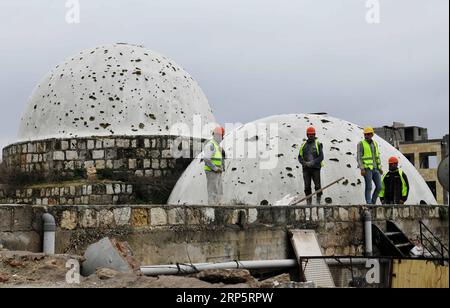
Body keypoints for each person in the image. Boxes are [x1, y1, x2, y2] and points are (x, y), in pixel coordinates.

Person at [298, 126, 324, 205]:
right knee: (307, 187)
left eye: (312, 134)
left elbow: (321, 157)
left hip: (315, 169)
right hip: (306, 169)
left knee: (317, 186)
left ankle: (318, 202)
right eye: (309, 134)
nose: (311, 136)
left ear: (314, 135)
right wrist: (304, 163)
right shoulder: (303, 145)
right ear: (307, 135)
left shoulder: (317, 144)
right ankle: (309, 203)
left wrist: (313, 162)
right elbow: (299, 157)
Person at [357, 127, 383, 204]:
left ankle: (373, 202)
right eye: (365, 134)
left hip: (375, 168)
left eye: (368, 134)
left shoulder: (375, 144)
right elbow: (359, 157)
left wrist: (380, 168)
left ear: (372, 134)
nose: (366, 135)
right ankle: (369, 203)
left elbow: (377, 156)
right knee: (369, 187)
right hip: (367, 168)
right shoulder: (361, 144)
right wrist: (362, 168)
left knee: (379, 187)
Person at [203, 126, 225, 205]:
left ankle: (218, 205)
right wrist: (215, 168)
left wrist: (221, 168)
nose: (222, 138)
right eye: (220, 136)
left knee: (219, 190)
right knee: (213, 190)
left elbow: (219, 159)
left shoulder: (217, 146)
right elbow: (206, 158)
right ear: (216, 135)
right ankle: (212, 207)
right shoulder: (211, 145)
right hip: (212, 171)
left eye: (222, 136)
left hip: (217, 172)